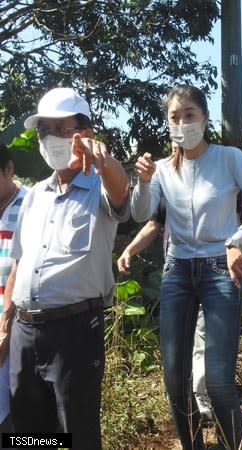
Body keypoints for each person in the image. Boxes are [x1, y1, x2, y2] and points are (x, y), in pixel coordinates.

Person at [129, 85, 242, 450]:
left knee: (218, 381)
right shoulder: (163, 169)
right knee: (174, 379)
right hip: (177, 271)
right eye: (174, 117)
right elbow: (140, 214)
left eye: (189, 115)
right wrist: (143, 182)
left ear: (205, 118)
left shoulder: (229, 158)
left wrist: (236, 239)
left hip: (220, 270)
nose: (182, 124)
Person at [0, 87, 130, 449]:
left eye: (62, 129)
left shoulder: (99, 188)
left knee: (75, 429)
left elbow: (122, 194)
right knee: (28, 432)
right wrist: (7, 326)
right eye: (45, 130)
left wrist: (105, 162)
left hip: (74, 328)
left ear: (84, 134)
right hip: (25, 331)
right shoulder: (34, 195)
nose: (51, 139)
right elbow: (20, 264)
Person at [116, 204, 212, 419]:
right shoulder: (168, 184)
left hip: (212, 271)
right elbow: (153, 224)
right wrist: (129, 250)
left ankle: (200, 393)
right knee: (175, 340)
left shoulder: (219, 178)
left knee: (203, 337)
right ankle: (179, 395)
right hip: (177, 274)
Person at [0, 143, 27, 437]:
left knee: (26, 416)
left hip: (20, 327)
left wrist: (5, 328)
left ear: (9, 169)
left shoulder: (33, 205)